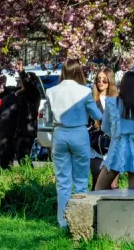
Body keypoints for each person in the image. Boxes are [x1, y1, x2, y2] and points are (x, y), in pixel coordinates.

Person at [44, 59, 103, 228]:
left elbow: (47, 119)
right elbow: (97, 115)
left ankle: (63, 221)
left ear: (63, 72)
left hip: (59, 133)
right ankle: (79, 220)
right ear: (78, 72)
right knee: (81, 180)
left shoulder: (51, 91)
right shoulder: (84, 91)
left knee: (62, 181)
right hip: (79, 133)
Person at [95, 72, 134, 190]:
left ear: (122, 85)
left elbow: (105, 127)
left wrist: (116, 133)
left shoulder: (111, 102)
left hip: (117, 149)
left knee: (99, 189)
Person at [0, 61, 42, 168]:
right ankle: (6, 173)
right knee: (5, 156)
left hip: (25, 130)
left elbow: (29, 85)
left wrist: (22, 72)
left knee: (23, 157)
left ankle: (28, 176)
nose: (21, 82)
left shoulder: (34, 93)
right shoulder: (15, 91)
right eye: (21, 80)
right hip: (8, 129)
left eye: (24, 80)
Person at [89, 68, 119, 190]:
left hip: (113, 146)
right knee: (97, 180)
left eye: (104, 80)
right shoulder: (92, 100)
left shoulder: (117, 100)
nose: (100, 82)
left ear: (110, 82)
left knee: (113, 185)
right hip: (96, 146)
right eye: (98, 80)